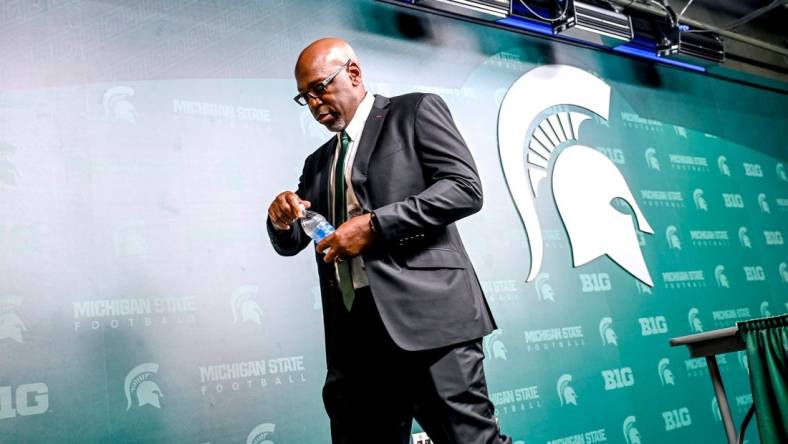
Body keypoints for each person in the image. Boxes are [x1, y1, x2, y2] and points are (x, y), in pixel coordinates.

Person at [267, 37, 511, 444]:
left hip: (430, 324)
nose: (313, 103)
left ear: (354, 74)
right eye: (304, 97)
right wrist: (280, 220)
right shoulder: (317, 163)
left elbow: (465, 188)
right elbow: (294, 240)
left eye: (319, 88)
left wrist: (375, 226)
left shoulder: (414, 111)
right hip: (354, 341)